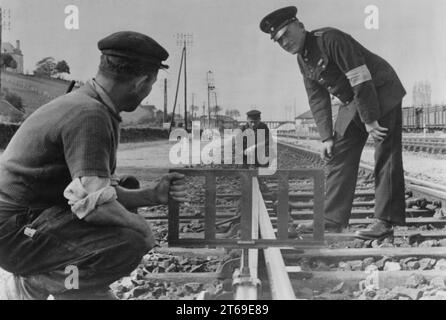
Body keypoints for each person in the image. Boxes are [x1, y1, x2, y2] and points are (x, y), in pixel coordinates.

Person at [0, 31, 187, 299]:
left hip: (26, 221)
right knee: (130, 241)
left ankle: (71, 287)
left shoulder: (89, 104)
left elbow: (93, 191)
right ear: (142, 82)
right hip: (15, 234)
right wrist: (143, 229)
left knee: (124, 208)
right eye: (151, 84)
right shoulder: (90, 115)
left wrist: (150, 196)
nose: (147, 93)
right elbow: (95, 207)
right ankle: (32, 284)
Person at [260, 6, 406, 239]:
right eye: (279, 41)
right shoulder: (303, 59)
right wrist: (326, 137)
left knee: (385, 154)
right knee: (338, 151)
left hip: (380, 90)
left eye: (287, 34)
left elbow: (360, 76)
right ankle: (332, 219)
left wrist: (370, 119)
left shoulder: (330, 39)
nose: (285, 42)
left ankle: (384, 222)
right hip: (354, 99)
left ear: (300, 26)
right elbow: (317, 98)